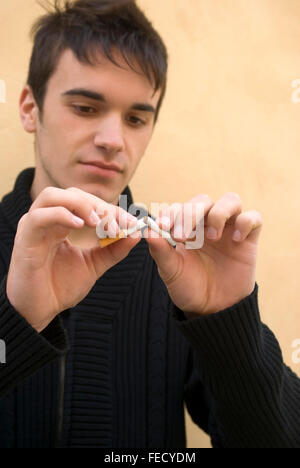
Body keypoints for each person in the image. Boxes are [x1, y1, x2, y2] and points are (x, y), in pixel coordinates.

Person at [0, 0, 299, 449]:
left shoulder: (180, 263)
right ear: (29, 107)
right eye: (85, 107)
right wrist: (16, 325)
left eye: (137, 118)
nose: (113, 140)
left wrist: (225, 322)